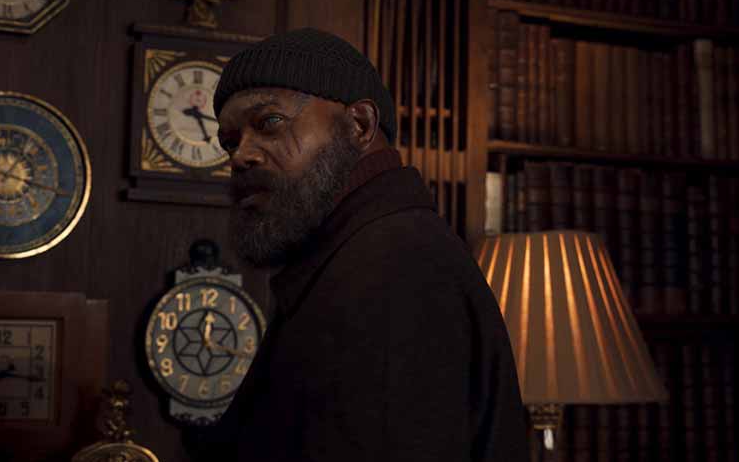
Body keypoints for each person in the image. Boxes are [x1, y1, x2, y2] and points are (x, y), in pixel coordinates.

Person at [189, 28, 528, 461]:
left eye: (269, 123)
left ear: (360, 125)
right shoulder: (357, 256)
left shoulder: (395, 268)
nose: (241, 156)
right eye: (230, 142)